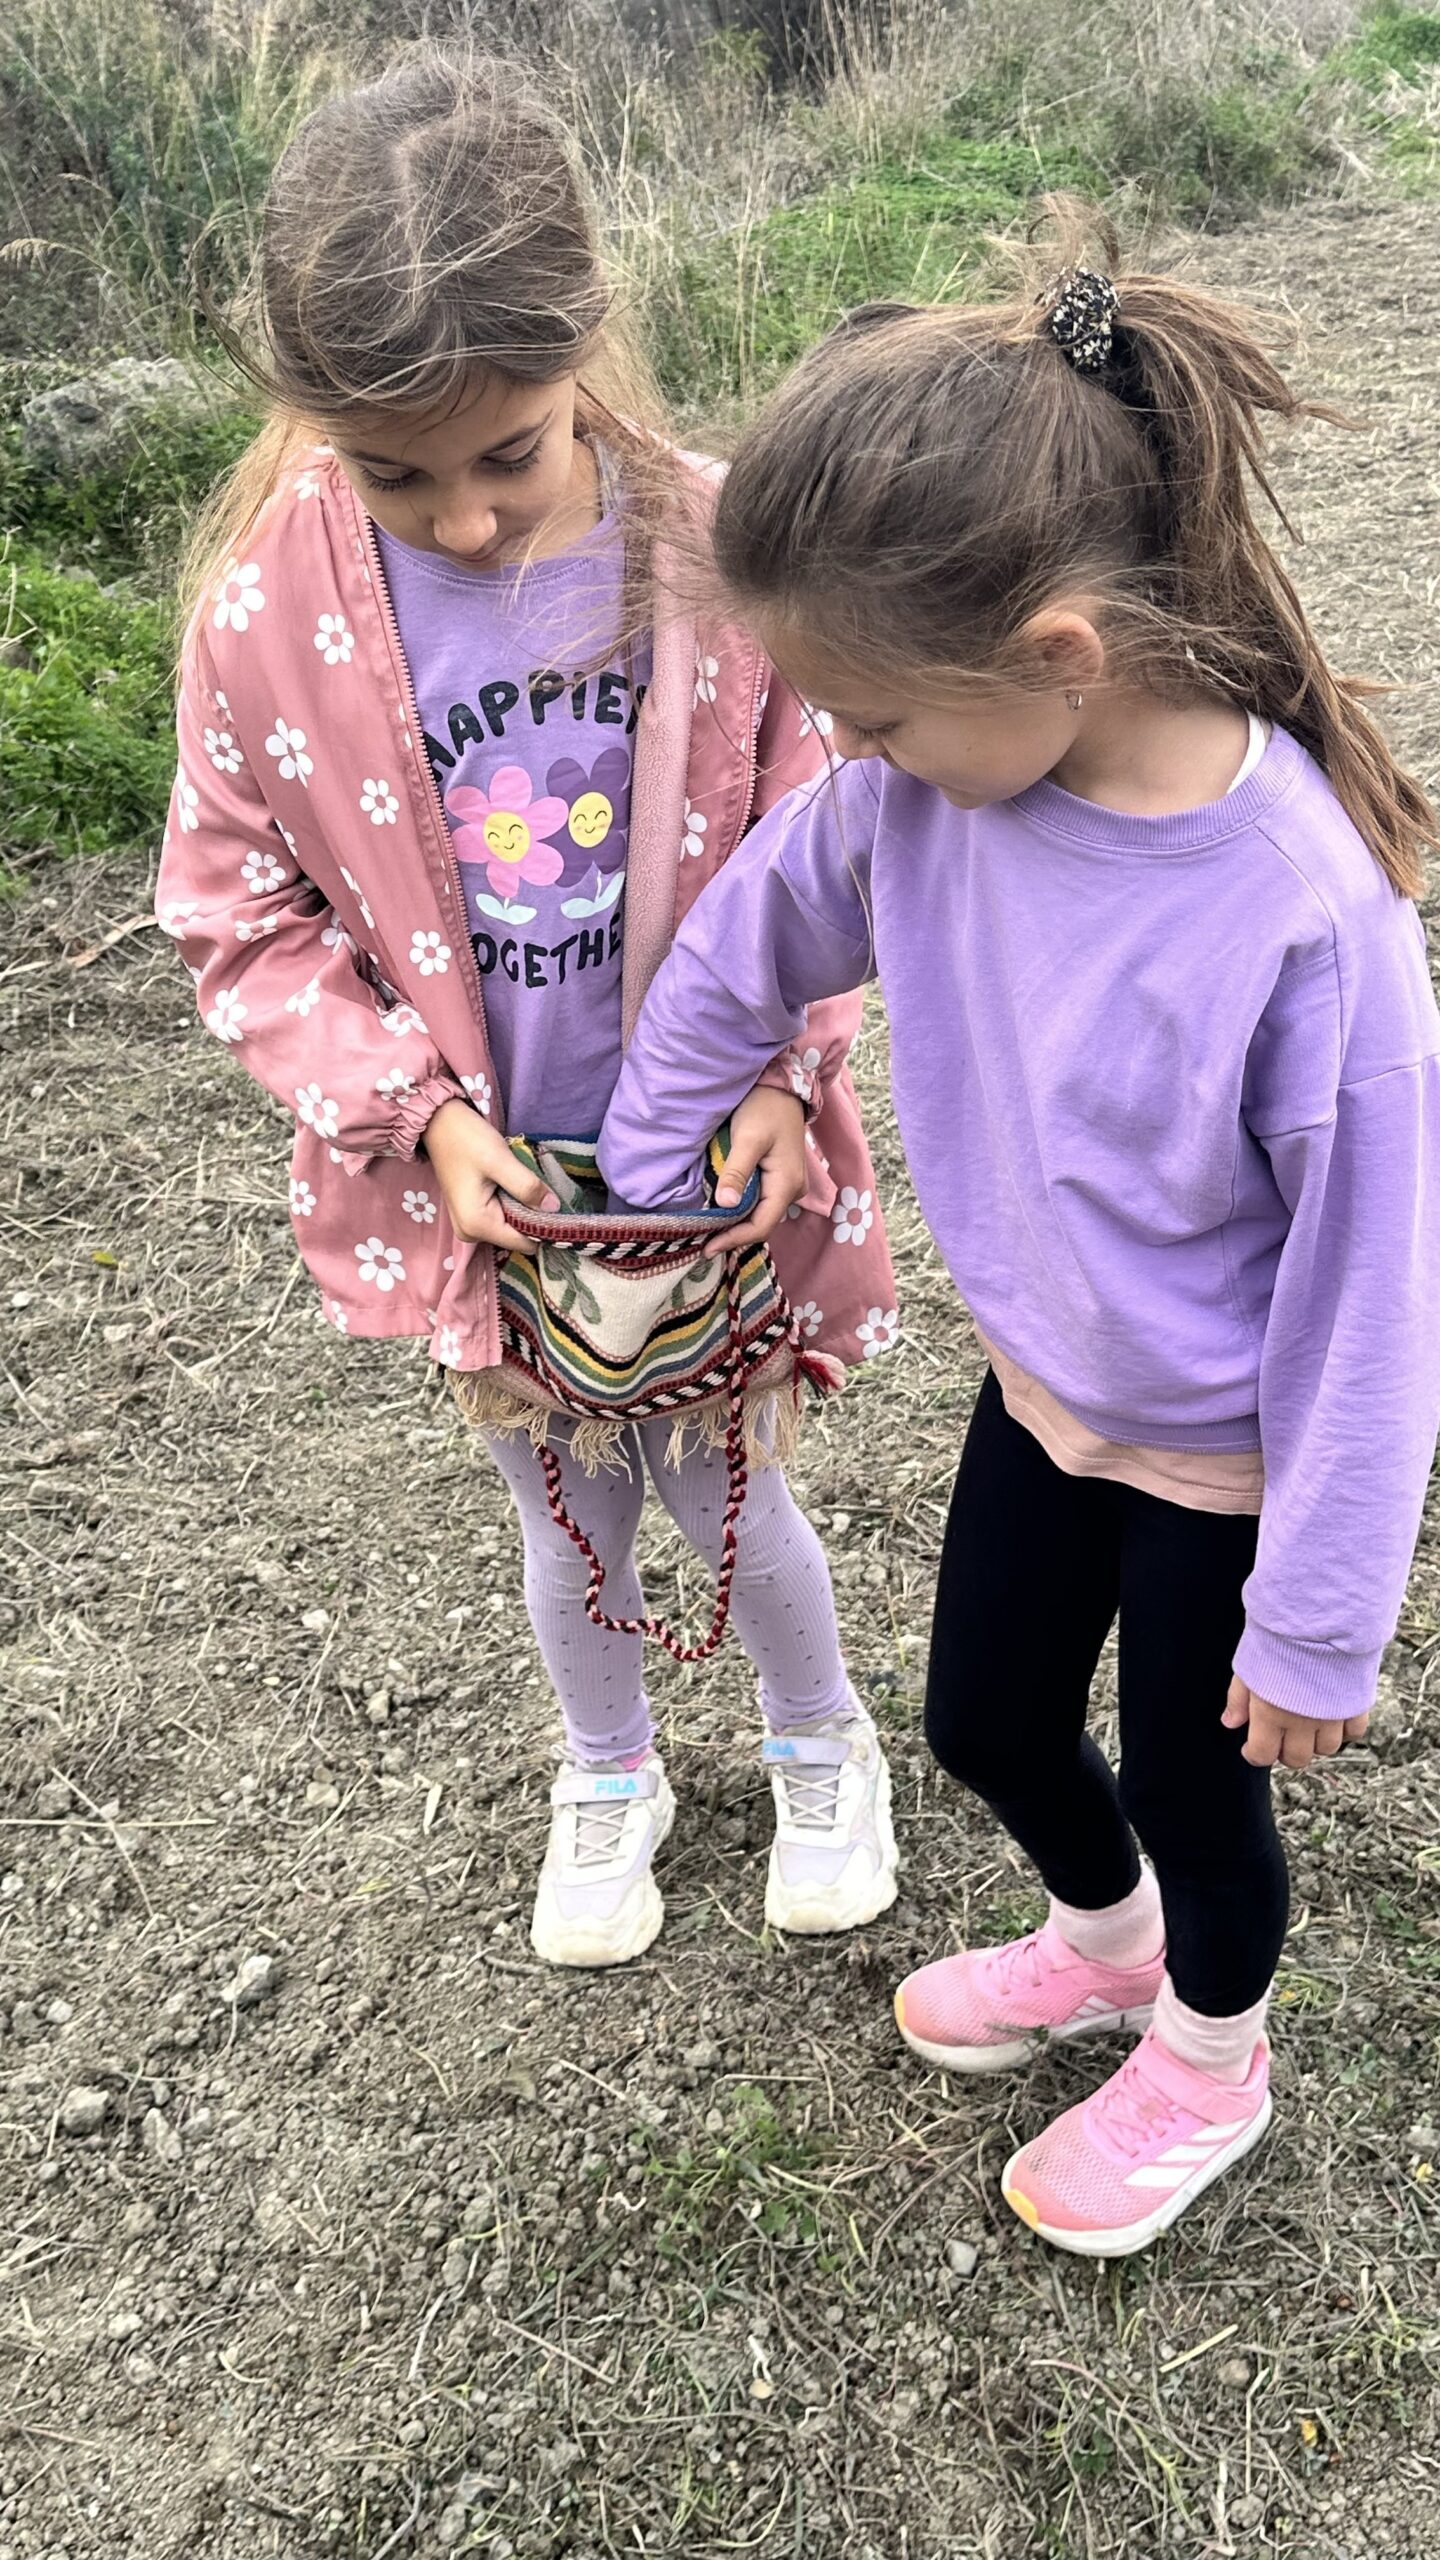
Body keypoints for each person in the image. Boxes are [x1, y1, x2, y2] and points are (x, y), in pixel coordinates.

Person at [598, 215, 1440, 2251]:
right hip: (1047, 1391)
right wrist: (645, 1155)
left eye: (874, 719)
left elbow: (1377, 1303)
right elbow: (749, 937)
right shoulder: (919, 793)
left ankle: (1212, 2060)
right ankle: (1107, 1946)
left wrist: (1321, 1615)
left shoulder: (1304, 920)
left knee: (1198, 1783)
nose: (848, 760)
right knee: (980, 1714)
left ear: (1058, 652)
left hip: (1228, 1457)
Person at [156, 47, 898, 1970]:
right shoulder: (265, 615)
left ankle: (822, 1736)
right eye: (394, 474)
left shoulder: (720, 558)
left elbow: (829, 833)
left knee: (722, 1479)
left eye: (512, 454)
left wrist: (784, 1068)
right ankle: (608, 1767)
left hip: (703, 1162)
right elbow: (233, 907)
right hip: (488, 1193)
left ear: (586, 346)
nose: (468, 521)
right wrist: (412, 1113)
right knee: (560, 1495)